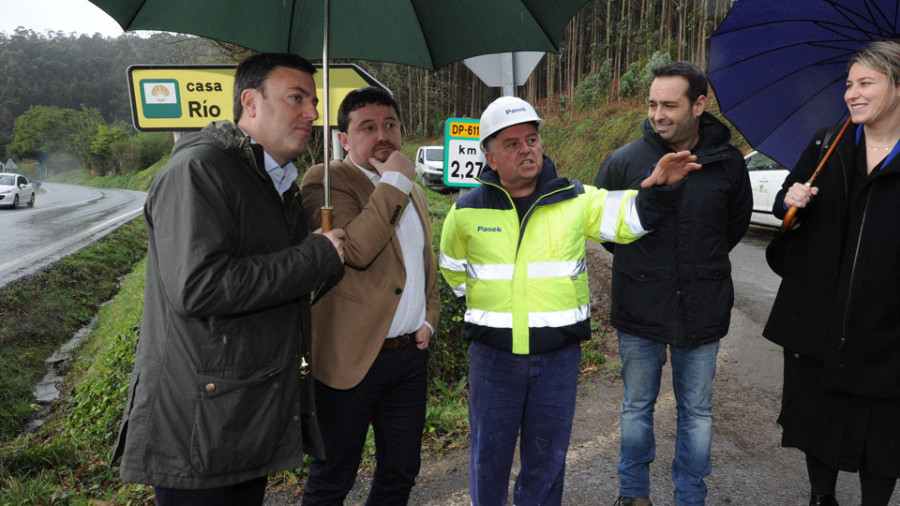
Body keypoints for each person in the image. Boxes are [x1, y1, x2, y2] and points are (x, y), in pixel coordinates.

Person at [439, 96, 700, 506]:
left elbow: (627, 218)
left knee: (546, 462)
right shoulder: (466, 211)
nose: (527, 149)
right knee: (488, 460)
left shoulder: (575, 199)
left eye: (532, 139)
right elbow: (454, 271)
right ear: (490, 157)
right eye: (512, 144)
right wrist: (494, 315)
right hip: (493, 360)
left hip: (557, 360)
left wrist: (656, 192)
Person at [111, 53, 345, 506]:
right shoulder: (199, 171)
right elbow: (200, 286)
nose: (312, 113)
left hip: (240, 415)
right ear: (250, 103)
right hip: (199, 428)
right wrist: (313, 257)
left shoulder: (273, 182)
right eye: (296, 98)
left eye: (313, 102)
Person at [594, 62, 752, 506]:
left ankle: (690, 496)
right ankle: (633, 493)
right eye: (651, 104)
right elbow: (607, 233)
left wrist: (699, 267)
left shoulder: (726, 163)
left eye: (669, 105)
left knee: (697, 412)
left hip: (703, 304)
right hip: (640, 305)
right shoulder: (625, 161)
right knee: (636, 407)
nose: (657, 114)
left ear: (699, 105)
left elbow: (733, 227)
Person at [763, 40, 900, 506]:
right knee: (817, 419)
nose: (852, 94)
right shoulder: (828, 142)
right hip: (818, 319)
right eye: (848, 84)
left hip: (887, 328)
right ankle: (821, 497)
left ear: (897, 85)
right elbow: (784, 221)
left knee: (883, 431)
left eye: (866, 83)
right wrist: (792, 204)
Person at [299, 86, 439, 505]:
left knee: (401, 472)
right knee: (333, 477)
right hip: (350, 358)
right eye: (368, 127)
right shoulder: (326, 181)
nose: (383, 135)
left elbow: (423, 262)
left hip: (409, 358)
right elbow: (355, 251)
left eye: (391, 125)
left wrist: (430, 317)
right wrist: (394, 179)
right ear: (344, 139)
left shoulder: (411, 190)